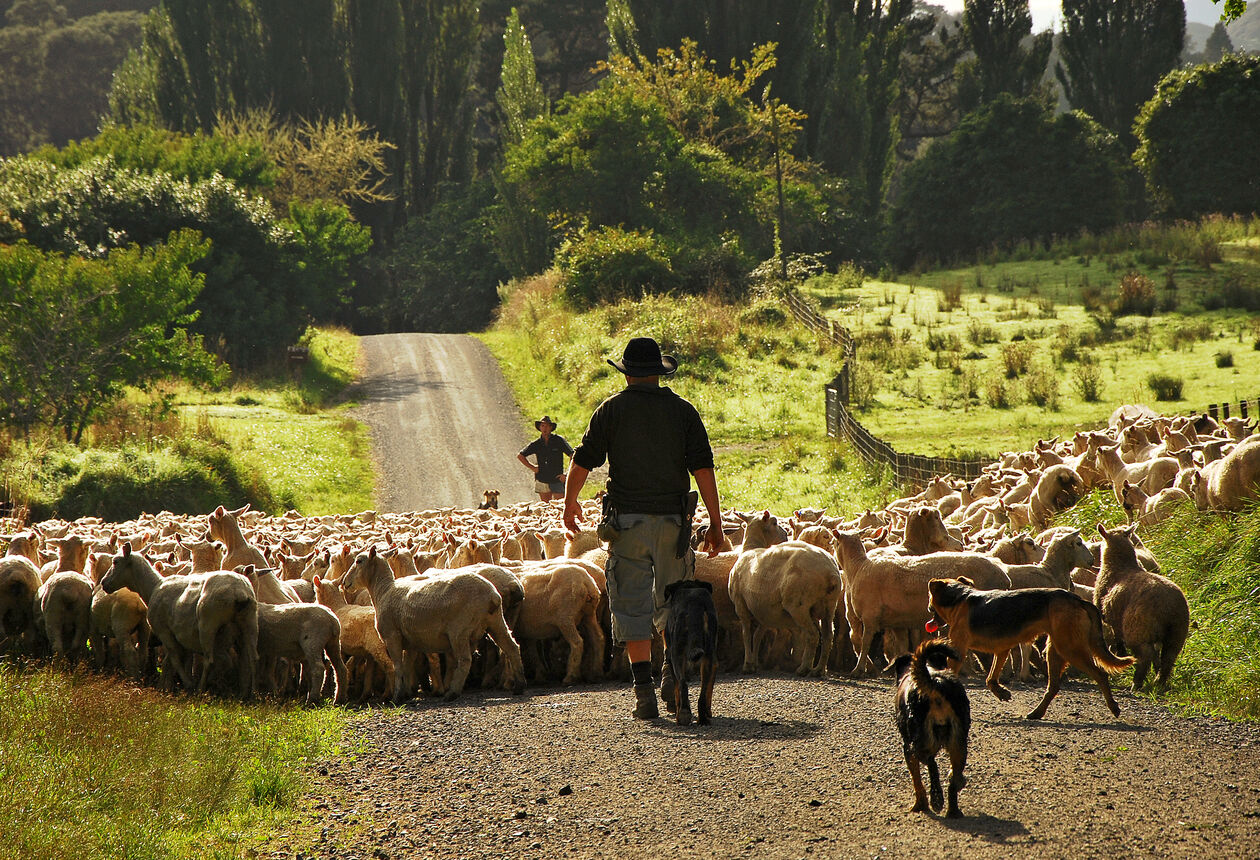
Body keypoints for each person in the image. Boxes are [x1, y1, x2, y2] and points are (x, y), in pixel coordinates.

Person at [563, 336, 723, 720]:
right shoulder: (683, 411)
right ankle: (671, 673)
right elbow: (703, 469)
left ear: (628, 374)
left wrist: (569, 503)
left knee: (631, 603)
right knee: (675, 605)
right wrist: (716, 523)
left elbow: (583, 460)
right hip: (673, 524)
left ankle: (643, 694)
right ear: (657, 372)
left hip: (627, 524)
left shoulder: (611, 410)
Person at [518, 415, 574, 502]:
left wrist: (567, 474)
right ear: (539, 427)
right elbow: (521, 456)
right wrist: (533, 468)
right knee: (545, 507)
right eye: (543, 426)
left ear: (551, 427)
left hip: (557, 479)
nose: (545, 428)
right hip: (542, 479)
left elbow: (572, 455)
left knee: (560, 505)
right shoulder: (536, 444)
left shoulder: (558, 441)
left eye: (547, 426)